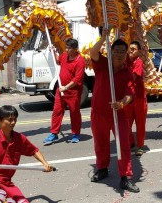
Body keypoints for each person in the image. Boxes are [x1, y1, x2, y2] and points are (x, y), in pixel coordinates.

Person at [89, 27, 139, 193]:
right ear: (111, 51)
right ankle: (102, 168)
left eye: (122, 51)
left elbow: (130, 93)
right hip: (98, 112)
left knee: (123, 144)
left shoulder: (127, 72)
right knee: (100, 142)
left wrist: (122, 103)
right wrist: (103, 38)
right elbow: (93, 53)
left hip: (118, 114)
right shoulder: (103, 64)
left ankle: (125, 177)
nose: (119, 54)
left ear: (126, 54)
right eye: (116, 51)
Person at [0, 105, 53, 203]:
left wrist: (45, 163)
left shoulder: (19, 138)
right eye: (9, 120)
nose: (13, 123)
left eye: (15, 120)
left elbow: (34, 151)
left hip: (6, 182)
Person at [43, 38, 86, 145]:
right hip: (61, 89)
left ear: (76, 49)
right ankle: (54, 133)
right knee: (57, 111)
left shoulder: (80, 61)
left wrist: (66, 87)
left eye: (69, 48)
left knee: (74, 113)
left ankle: (75, 134)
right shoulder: (65, 56)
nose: (66, 50)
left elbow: (77, 79)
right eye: (66, 47)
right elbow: (58, 61)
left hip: (73, 92)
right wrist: (53, 52)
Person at [125, 41, 148, 156]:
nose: (131, 51)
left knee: (140, 123)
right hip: (128, 98)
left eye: (134, 49)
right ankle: (130, 142)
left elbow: (133, 77)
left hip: (138, 97)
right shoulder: (126, 61)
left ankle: (140, 145)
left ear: (138, 51)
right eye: (130, 49)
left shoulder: (138, 62)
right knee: (126, 123)